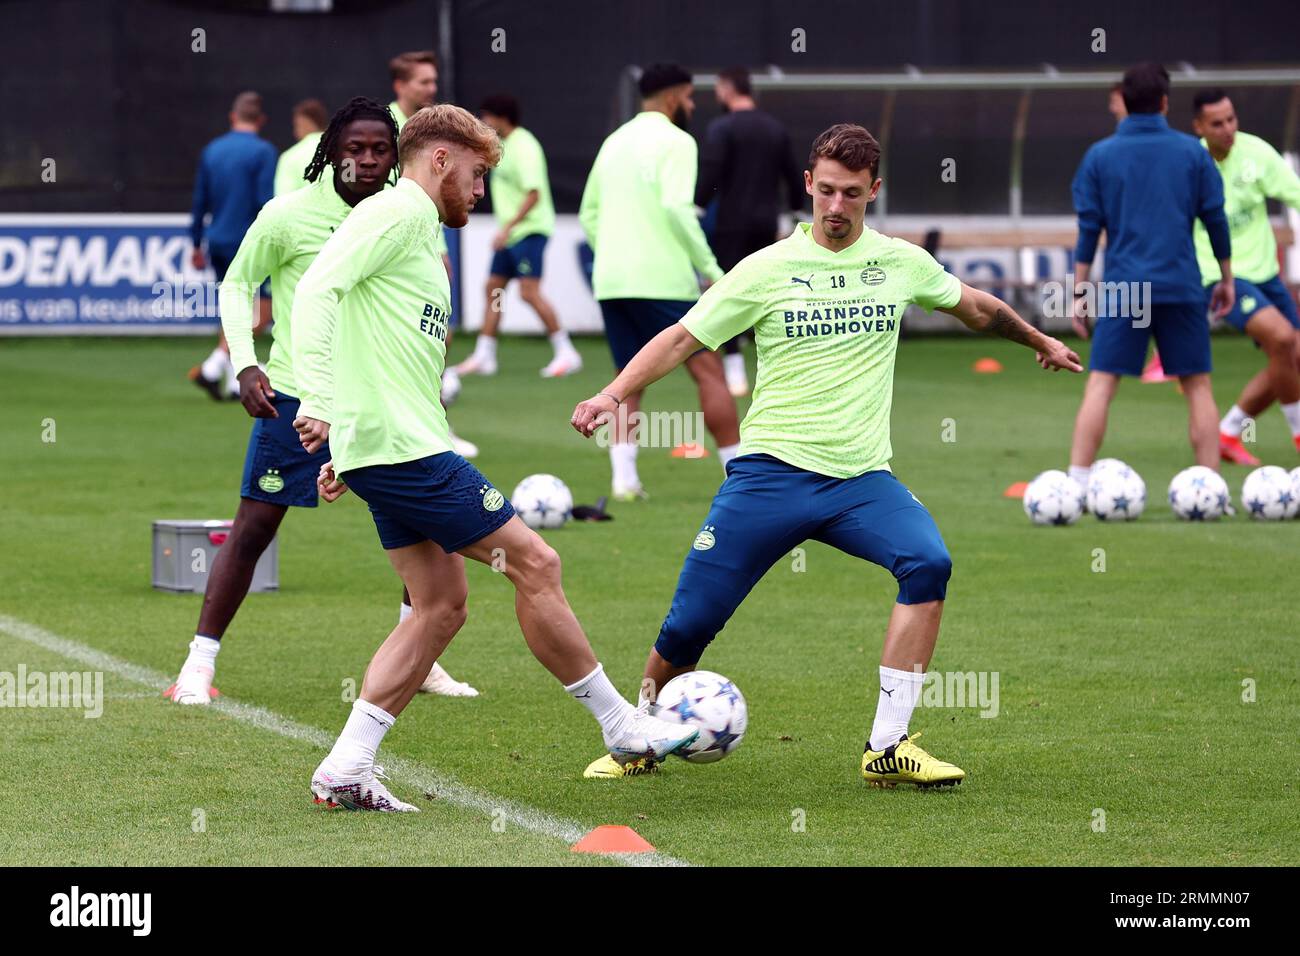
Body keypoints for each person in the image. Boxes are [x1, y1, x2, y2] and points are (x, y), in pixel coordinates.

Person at [571, 123, 1082, 783]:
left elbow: (977, 308)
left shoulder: (899, 262)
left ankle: (888, 747)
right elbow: (680, 339)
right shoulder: (766, 269)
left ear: (874, 190)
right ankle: (637, 741)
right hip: (769, 476)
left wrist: (1037, 339)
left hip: (862, 481)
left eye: (853, 194)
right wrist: (614, 393)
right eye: (827, 191)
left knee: (928, 562)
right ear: (809, 184)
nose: (837, 207)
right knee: (689, 623)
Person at [289, 104, 699, 811]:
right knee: (536, 562)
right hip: (407, 452)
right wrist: (320, 404)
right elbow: (317, 290)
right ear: (440, 160)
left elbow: (377, 340)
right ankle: (621, 725)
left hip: (389, 448)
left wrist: (350, 445)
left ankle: (346, 766)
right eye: (477, 175)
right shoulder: (397, 214)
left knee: (439, 606)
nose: (480, 194)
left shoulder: (416, 228)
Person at [167, 98, 477, 707]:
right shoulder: (289, 215)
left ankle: (419, 653)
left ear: (396, 158)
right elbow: (237, 283)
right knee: (255, 527)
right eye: (354, 148)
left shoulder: (409, 216)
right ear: (330, 149)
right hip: (297, 400)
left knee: (428, 527)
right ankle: (198, 665)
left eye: (379, 149)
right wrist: (244, 361)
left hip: (380, 408)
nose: (365, 159)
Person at [1067, 62, 1234, 492]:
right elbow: (1215, 219)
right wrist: (1227, 276)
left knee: (1102, 383)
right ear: (1164, 101)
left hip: (1126, 288)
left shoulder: (1099, 156)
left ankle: (1076, 485)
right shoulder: (1192, 153)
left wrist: (1080, 291)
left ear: (1123, 100)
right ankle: (1211, 489)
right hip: (1180, 283)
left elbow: (1089, 230)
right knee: (1197, 386)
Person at [579, 63, 741, 500]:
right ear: (674, 98)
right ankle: (739, 475)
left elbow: (588, 215)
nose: (691, 106)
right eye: (689, 98)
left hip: (612, 280)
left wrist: (615, 249)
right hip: (664, 280)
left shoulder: (613, 142)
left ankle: (624, 480)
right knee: (709, 371)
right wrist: (710, 267)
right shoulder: (679, 141)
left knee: (627, 378)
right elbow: (676, 208)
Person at [1190, 89, 1300, 464]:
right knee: (1284, 340)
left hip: (1265, 276)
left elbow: (1296, 193)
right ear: (1199, 126)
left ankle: (1229, 432)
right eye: (1217, 123)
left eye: (1231, 119)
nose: (1227, 129)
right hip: (1219, 280)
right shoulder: (1190, 164)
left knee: (1291, 354)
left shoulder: (1256, 152)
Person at [386, 49, 478, 459]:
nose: (430, 88)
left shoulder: (433, 128)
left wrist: (440, 251)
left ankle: (431, 424)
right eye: (422, 81)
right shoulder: (387, 128)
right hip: (396, 247)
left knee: (438, 332)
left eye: (433, 81)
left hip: (430, 240)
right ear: (401, 86)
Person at [695, 66, 804, 397]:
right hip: (765, 223)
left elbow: (711, 169)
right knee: (766, 292)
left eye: (718, 88)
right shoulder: (774, 128)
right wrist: (796, 211)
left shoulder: (722, 127)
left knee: (730, 290)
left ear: (728, 89)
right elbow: (792, 171)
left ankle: (734, 367)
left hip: (730, 224)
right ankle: (773, 367)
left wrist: (698, 204)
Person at [455, 94, 582, 378]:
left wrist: (508, 228)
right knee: (494, 288)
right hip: (510, 236)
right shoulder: (503, 146)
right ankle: (484, 355)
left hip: (529, 232)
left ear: (501, 117)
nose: (484, 122)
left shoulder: (525, 146)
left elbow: (533, 194)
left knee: (528, 292)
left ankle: (566, 351)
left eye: (487, 116)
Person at [188, 91, 277, 400]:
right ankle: (215, 363)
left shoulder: (212, 150)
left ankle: (228, 381)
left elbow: (200, 200)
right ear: (261, 120)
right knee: (263, 312)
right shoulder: (264, 152)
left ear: (232, 117)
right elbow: (264, 201)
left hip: (218, 240)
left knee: (232, 307)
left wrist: (195, 242)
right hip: (249, 241)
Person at [274, 99, 328, 197]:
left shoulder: (290, 157)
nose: (295, 131)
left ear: (303, 122)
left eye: (296, 125)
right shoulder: (344, 152)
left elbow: (283, 200)